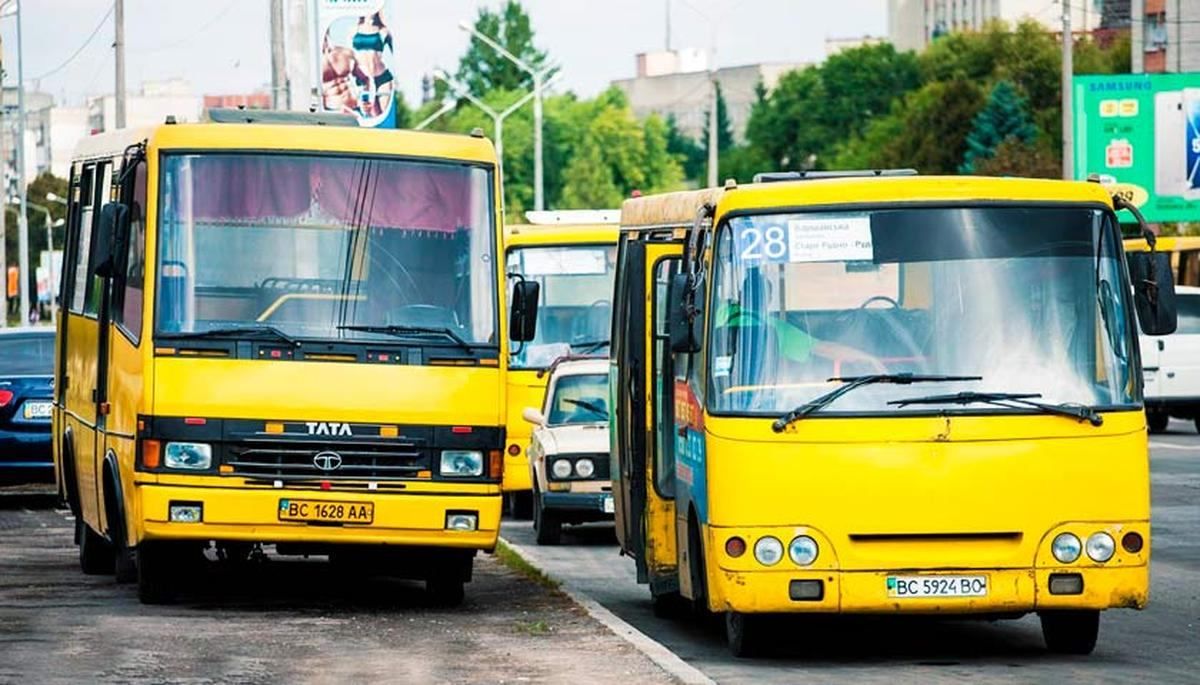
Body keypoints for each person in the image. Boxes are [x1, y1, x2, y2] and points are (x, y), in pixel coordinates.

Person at [351, 12, 395, 119]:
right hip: (364, 80)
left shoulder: (383, 31)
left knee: (383, 114)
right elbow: (350, 55)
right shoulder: (354, 29)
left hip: (381, 77)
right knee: (370, 114)